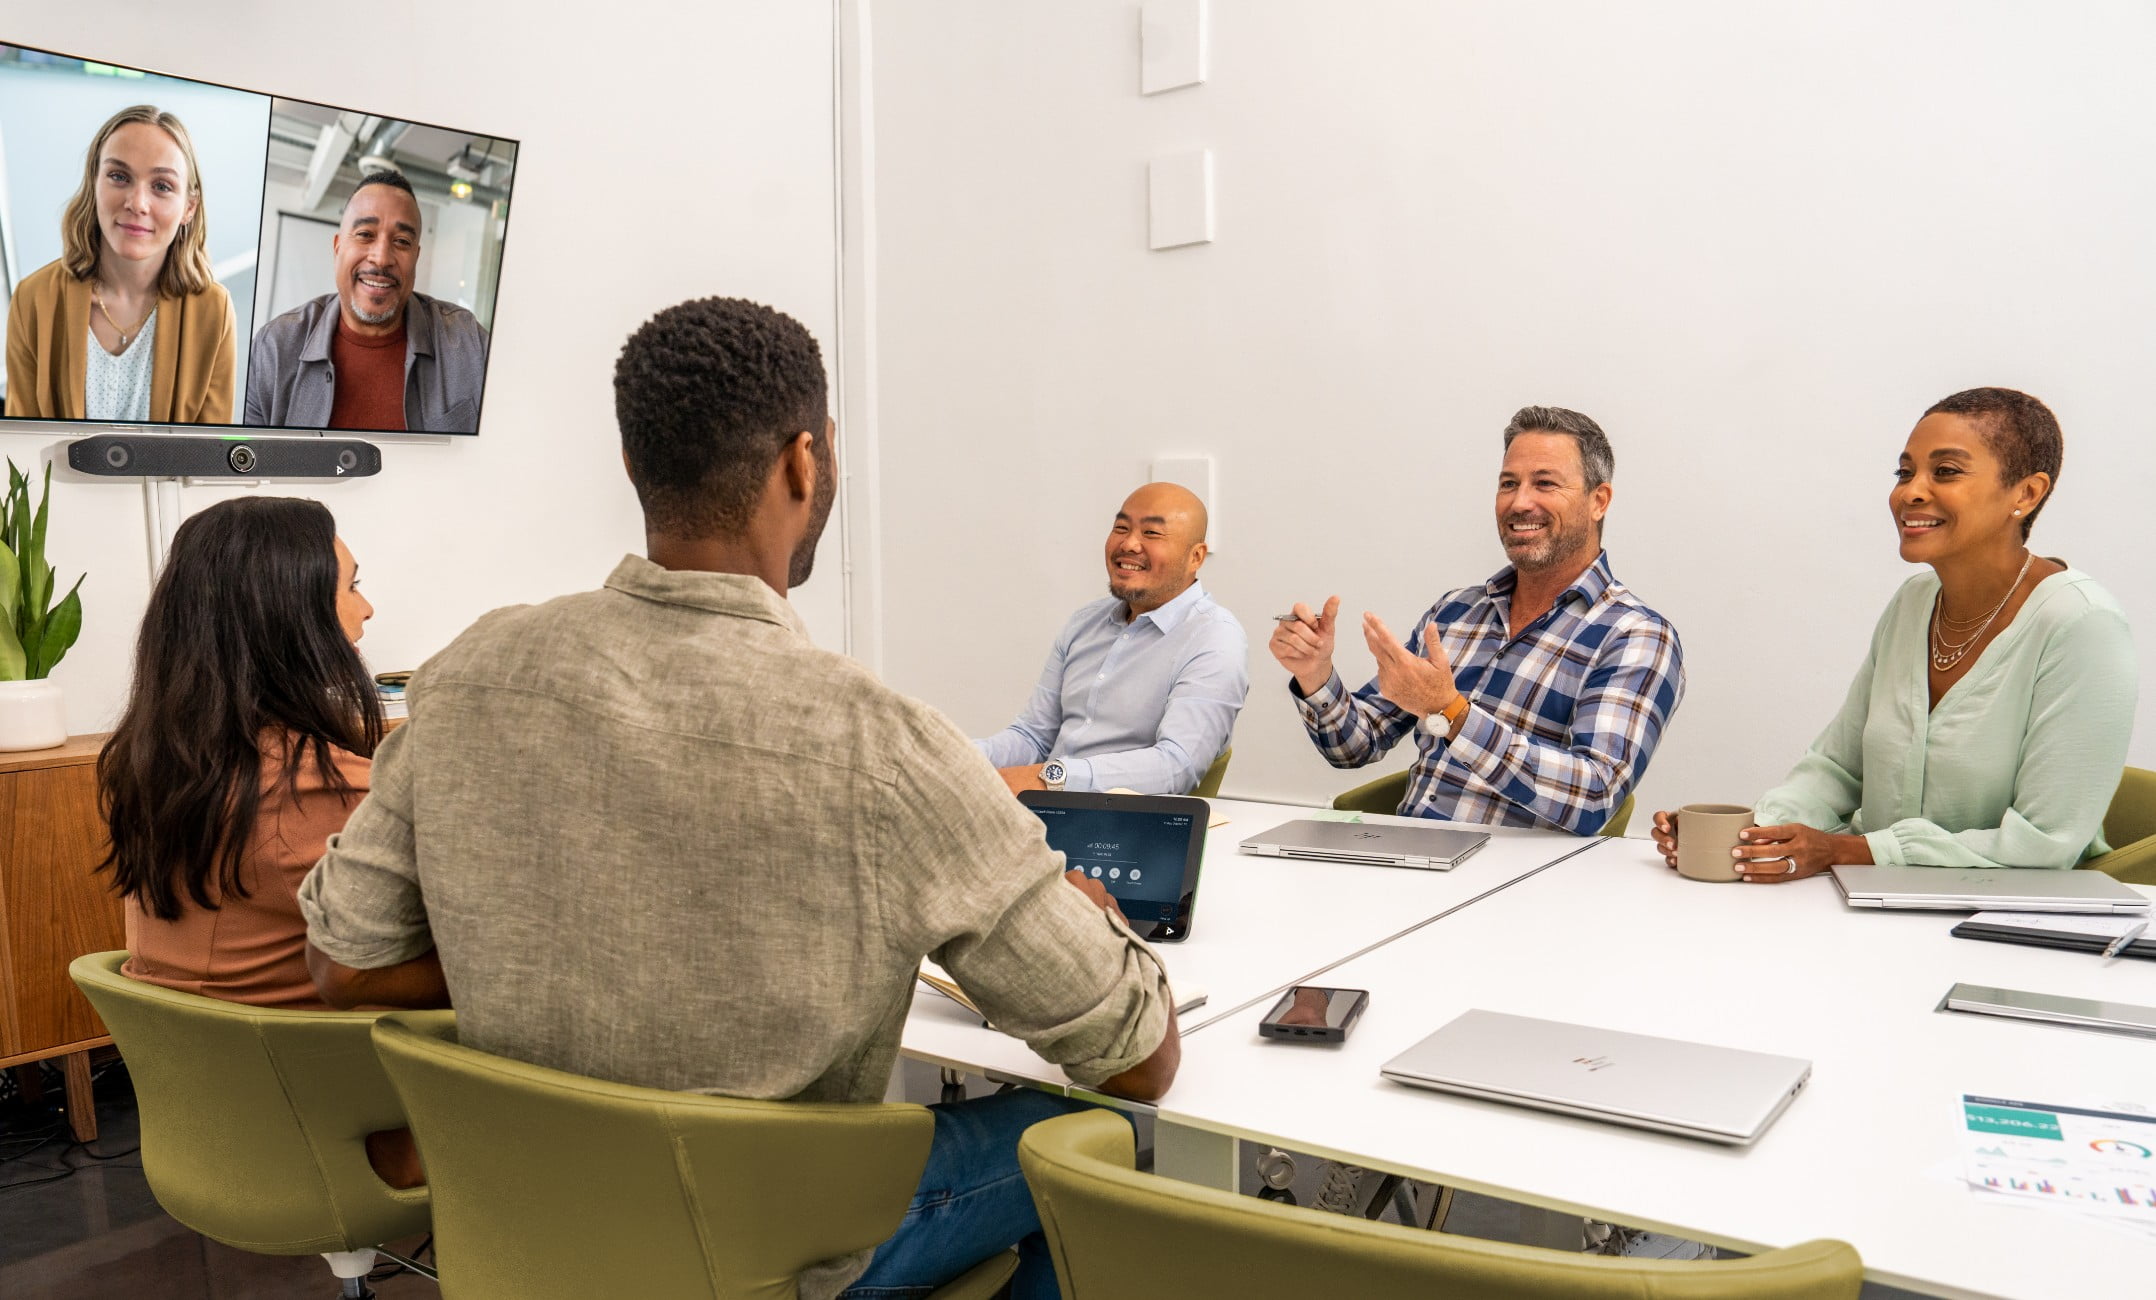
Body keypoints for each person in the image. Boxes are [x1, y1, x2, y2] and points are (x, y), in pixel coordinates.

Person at [298, 296, 1177, 1300]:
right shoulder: (881, 744)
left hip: (538, 1226)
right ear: (804, 465)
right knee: (1090, 1144)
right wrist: (1096, 924)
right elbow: (1135, 1062)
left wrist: (562, 965)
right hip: (771, 1256)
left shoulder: (469, 672)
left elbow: (344, 963)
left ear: (634, 465)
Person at [1652, 387, 2136, 880]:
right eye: (1905, 472)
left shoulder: (2082, 624)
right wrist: (1756, 832)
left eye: (1945, 471)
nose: (1910, 492)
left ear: (2026, 493)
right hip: (1874, 904)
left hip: (2009, 927)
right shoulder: (1912, 604)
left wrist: (1851, 850)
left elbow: (2045, 841)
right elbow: (1837, 768)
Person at [96, 496, 418, 1186]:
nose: (366, 611)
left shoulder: (169, 762)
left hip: (227, 1124)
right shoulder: (307, 791)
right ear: (289, 615)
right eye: (352, 587)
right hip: (335, 1136)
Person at [1271, 406, 1685, 833]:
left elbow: (1593, 797)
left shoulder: (1637, 637)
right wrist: (1316, 675)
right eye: (1509, 484)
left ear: (1598, 501)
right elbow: (1355, 746)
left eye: (1544, 483)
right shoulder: (1455, 613)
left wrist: (1451, 712)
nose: (1520, 502)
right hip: (1404, 865)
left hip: (1519, 889)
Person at [975, 482, 1249, 796]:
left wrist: (1052, 777)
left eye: (1151, 533)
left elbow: (1177, 766)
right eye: (1121, 527)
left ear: (1195, 557)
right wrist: (958, 759)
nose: (1129, 544)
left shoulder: (1215, 638)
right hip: (1044, 811)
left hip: (1122, 829)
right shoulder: (1085, 622)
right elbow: (1034, 737)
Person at [4, 104, 236, 423]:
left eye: (162, 186)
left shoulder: (215, 310)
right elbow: (20, 459)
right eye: (119, 176)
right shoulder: (33, 298)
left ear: (189, 208)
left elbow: (207, 457)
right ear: (94, 184)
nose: (137, 203)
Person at [243, 169, 489, 433]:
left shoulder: (469, 344)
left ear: (416, 257)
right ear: (338, 248)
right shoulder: (274, 349)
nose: (382, 258)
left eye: (402, 241)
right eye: (365, 234)